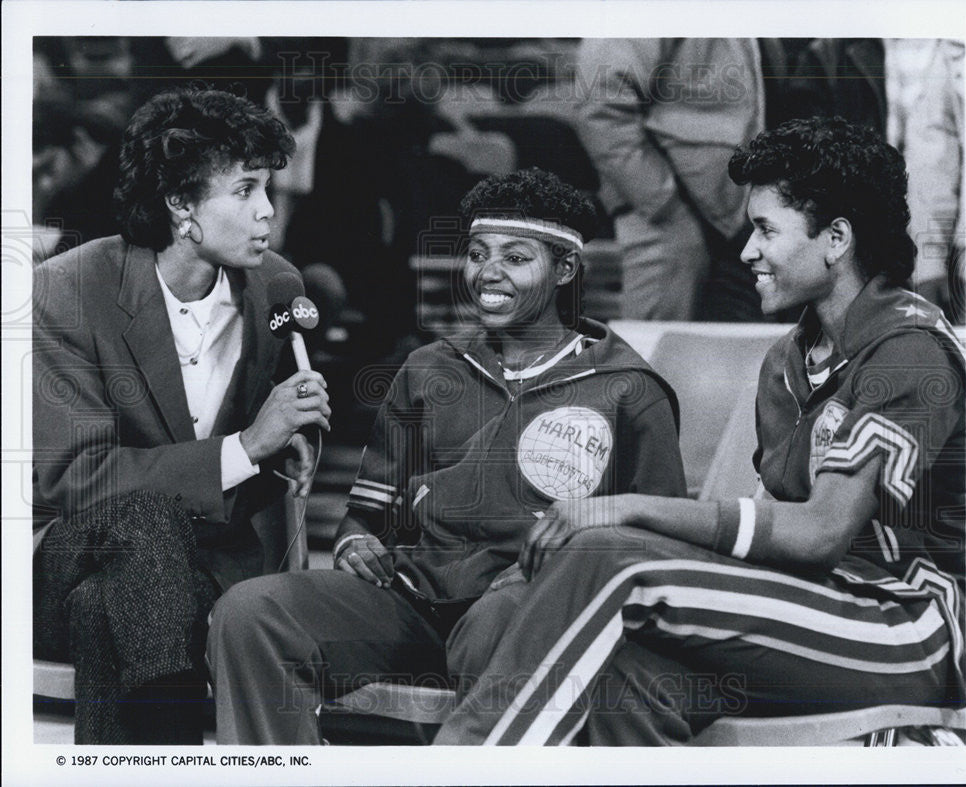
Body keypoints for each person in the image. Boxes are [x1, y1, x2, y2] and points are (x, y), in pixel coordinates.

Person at [433, 117, 966, 745]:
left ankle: (462, 766)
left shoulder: (908, 350)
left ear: (837, 239)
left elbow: (820, 532)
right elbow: (776, 531)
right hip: (811, 605)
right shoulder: (788, 361)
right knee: (605, 671)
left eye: (766, 229)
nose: (747, 251)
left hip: (904, 628)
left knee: (608, 555)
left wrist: (628, 509)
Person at [206, 168, 687, 744]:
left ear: (565, 270)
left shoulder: (627, 388)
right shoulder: (430, 369)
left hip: (527, 612)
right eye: (479, 253)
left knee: (496, 624)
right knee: (251, 614)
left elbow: (660, 544)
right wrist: (356, 542)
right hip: (410, 604)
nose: (489, 272)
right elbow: (369, 517)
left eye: (515, 257)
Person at [32, 87, 331, 744]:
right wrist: (247, 446)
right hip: (78, 547)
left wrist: (296, 435)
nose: (267, 211)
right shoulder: (68, 289)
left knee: (106, 608)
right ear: (180, 204)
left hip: (205, 568)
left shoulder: (277, 286)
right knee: (141, 519)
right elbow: (74, 479)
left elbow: (280, 418)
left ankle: (154, 753)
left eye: (268, 189)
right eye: (245, 189)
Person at [574, 39, 766, 321]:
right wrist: (666, 206)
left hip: (729, 218)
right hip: (669, 216)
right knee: (655, 354)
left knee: (723, 356)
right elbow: (600, 110)